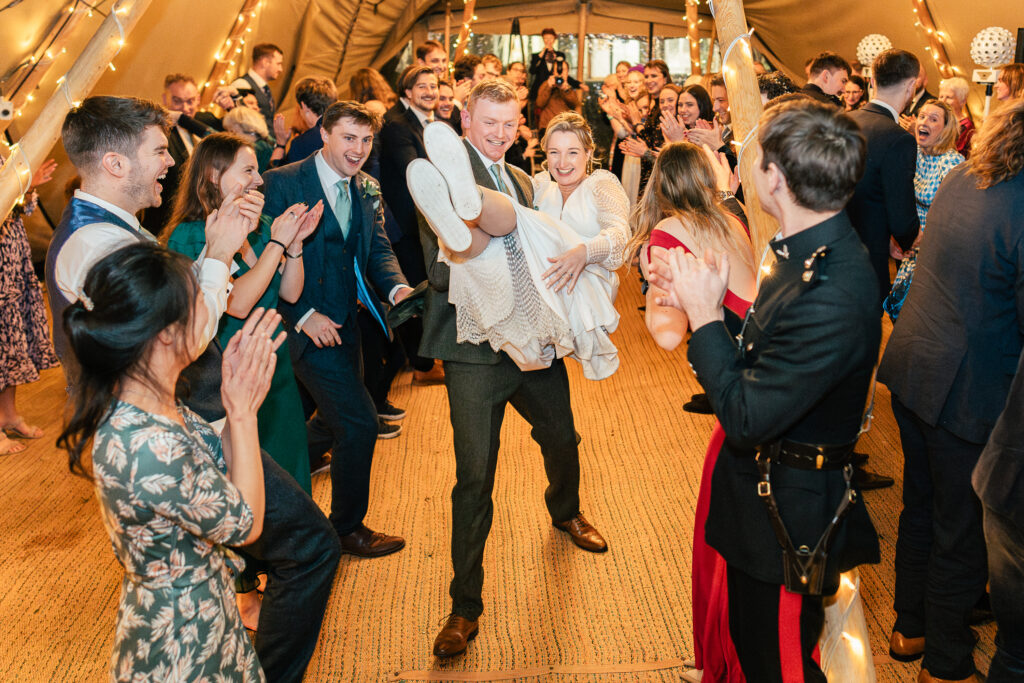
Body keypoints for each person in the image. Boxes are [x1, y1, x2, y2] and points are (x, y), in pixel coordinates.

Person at [47, 95, 341, 683]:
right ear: (114, 163)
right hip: (162, 426)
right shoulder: (95, 246)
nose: (169, 162)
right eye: (159, 150)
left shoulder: (112, 230)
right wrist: (218, 255)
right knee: (304, 545)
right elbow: (181, 335)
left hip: (169, 416)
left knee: (221, 558)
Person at [646, 98, 881, 683]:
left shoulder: (830, 286)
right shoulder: (795, 249)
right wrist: (703, 298)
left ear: (774, 177)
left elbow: (748, 414)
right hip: (761, 495)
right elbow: (763, 357)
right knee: (755, 650)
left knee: (779, 667)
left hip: (788, 513)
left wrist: (704, 318)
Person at [412, 80, 609, 658]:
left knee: (562, 437)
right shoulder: (439, 175)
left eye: (507, 124)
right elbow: (440, 273)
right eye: (487, 123)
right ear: (465, 119)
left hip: (531, 341)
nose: (497, 134)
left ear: (518, 124)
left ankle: (565, 511)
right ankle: (463, 609)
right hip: (473, 349)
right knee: (475, 476)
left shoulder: (523, 181)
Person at [57, 241, 274, 681]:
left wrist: (233, 402)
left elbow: (223, 472)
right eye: (197, 303)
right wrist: (244, 412)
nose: (208, 311)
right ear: (164, 333)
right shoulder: (150, 444)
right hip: (181, 638)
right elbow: (245, 523)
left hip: (203, 608)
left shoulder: (149, 402)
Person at [879, 98, 1024, 683]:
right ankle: (944, 663)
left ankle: (909, 626)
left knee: (922, 507)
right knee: (960, 530)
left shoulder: (968, 174)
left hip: (915, 364)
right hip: (964, 389)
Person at [262, 100, 413, 553]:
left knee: (330, 420)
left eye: (366, 140)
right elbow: (259, 263)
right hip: (302, 326)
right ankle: (346, 528)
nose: (359, 149)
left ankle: (274, 480)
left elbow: (378, 251)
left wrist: (398, 289)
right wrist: (304, 315)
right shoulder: (282, 183)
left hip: (348, 323)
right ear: (324, 133)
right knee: (359, 424)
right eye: (349, 137)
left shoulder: (367, 186)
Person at [630, 141, 755, 683]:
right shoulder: (735, 216)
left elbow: (664, 337)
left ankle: (732, 663)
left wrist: (668, 295)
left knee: (728, 542)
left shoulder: (665, 237)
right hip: (762, 373)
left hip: (739, 400)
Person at [846, 48, 921, 310]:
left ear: (872, 81)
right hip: (867, 258)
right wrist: (910, 237)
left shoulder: (842, 120)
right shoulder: (898, 138)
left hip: (835, 248)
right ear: (911, 86)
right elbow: (902, 217)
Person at [882, 99, 963, 320]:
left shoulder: (952, 163)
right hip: (911, 247)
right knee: (897, 311)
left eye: (933, 119)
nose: (923, 121)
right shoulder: (912, 153)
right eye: (922, 116)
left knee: (920, 319)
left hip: (937, 253)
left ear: (945, 129)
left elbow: (957, 220)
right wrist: (896, 237)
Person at [0, 157, 59, 455]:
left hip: (13, 259)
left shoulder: (2, 155)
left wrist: (28, 187)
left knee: (11, 345)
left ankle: (8, 415)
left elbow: (24, 208)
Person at [143, 74, 217, 235]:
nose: (185, 108)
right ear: (165, 99)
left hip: (203, 220)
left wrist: (186, 121)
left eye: (190, 101)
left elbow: (227, 145)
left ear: (198, 99)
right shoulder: (159, 133)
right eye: (177, 101)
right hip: (167, 223)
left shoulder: (205, 122)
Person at [283, 76, 338, 164]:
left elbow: (282, 176)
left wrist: (280, 145)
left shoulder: (301, 143)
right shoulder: (344, 130)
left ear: (304, 106)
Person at [231, 43, 284, 131]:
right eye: (278, 64)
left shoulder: (264, 88)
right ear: (265, 62)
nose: (280, 69)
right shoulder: (242, 84)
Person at [222, 106, 278, 172]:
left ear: (242, 126)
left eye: (232, 131)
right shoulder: (266, 144)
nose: (231, 135)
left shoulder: (258, 149)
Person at [938, 76, 975, 158]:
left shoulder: (966, 126)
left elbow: (951, 152)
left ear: (963, 101)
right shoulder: (939, 120)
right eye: (941, 97)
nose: (943, 101)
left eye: (949, 97)